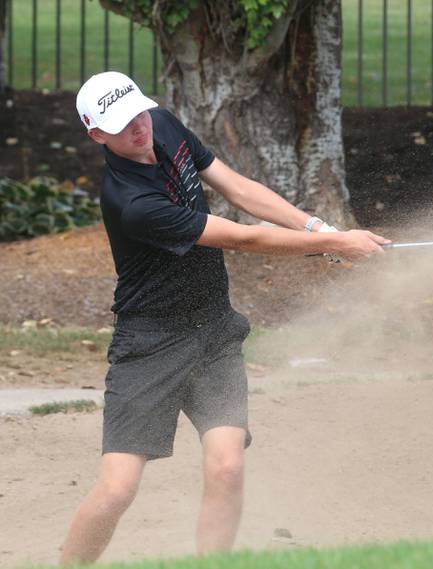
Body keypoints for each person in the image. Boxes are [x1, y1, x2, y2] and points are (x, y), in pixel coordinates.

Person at [59, 71, 389, 564]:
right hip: (149, 343)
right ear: (97, 135)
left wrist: (319, 227)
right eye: (122, 123)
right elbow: (243, 237)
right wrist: (333, 244)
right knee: (117, 490)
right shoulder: (132, 203)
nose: (138, 127)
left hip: (214, 331)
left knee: (227, 467)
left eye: (138, 112)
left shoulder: (162, 125)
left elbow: (237, 187)